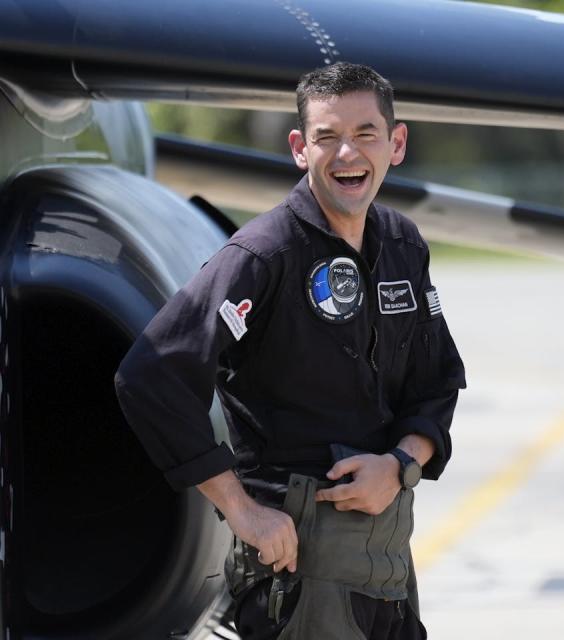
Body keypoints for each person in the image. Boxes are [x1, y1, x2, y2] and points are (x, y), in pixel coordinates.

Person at [115, 62, 466, 639]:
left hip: (388, 570)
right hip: (297, 577)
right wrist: (241, 509)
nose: (347, 154)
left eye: (365, 135)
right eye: (327, 137)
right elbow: (152, 375)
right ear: (300, 149)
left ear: (396, 144)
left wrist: (400, 465)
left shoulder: (402, 245)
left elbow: (437, 382)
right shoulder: (264, 255)